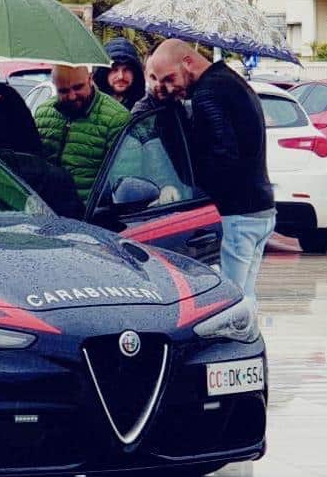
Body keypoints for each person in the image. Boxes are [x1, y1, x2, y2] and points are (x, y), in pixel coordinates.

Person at [146, 38, 275, 304]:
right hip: (260, 207)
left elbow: (222, 156)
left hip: (236, 212)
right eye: (159, 81)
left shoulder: (208, 93)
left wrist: (198, 190)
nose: (167, 88)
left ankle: (240, 345)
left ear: (188, 62)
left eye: (170, 78)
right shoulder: (231, 80)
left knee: (231, 299)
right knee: (245, 293)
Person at [33, 65, 130, 203]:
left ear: (90, 79)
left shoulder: (116, 118)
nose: (72, 96)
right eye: (64, 91)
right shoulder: (42, 113)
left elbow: (123, 181)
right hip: (47, 212)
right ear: (54, 86)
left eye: (78, 87)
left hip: (90, 216)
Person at [94, 37, 147, 110]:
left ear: (135, 72)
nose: (121, 76)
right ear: (105, 73)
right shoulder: (92, 104)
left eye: (126, 70)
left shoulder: (145, 105)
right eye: (115, 70)